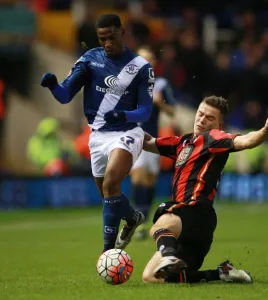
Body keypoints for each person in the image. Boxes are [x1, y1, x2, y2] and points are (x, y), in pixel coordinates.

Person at [40, 14, 154, 253]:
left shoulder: (141, 67)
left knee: (112, 180)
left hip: (128, 132)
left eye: (111, 38)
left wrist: (124, 116)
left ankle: (108, 253)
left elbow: (145, 111)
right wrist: (52, 85)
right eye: (102, 39)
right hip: (98, 135)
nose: (107, 44)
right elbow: (65, 96)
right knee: (108, 196)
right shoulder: (90, 59)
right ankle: (133, 217)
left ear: (122, 33)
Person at [139, 95, 268, 283]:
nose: (201, 120)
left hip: (196, 212)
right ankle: (221, 273)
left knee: (161, 221)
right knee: (152, 276)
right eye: (200, 114)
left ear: (219, 125)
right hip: (193, 226)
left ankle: (168, 255)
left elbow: (245, 141)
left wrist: (264, 131)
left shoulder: (213, 138)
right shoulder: (182, 143)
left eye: (209, 118)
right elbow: (149, 143)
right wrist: (126, 129)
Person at [130, 46, 176, 239]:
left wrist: (160, 104)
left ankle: (144, 220)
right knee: (138, 176)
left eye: (149, 60)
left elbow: (172, 112)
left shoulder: (161, 85)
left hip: (152, 139)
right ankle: (137, 220)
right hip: (132, 136)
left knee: (149, 180)